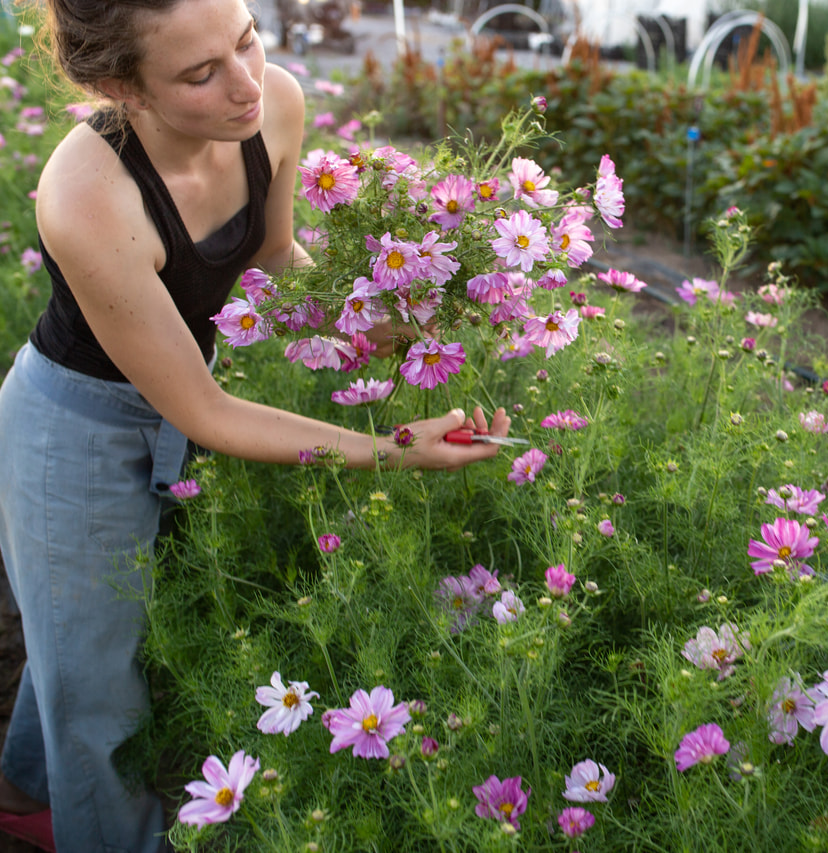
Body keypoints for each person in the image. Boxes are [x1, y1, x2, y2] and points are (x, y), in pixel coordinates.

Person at [0, 1, 510, 850]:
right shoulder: (86, 195)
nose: (244, 84)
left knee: (83, 634)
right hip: (71, 430)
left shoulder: (272, 101)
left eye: (245, 40)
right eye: (201, 74)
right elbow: (204, 407)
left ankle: (18, 793)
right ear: (119, 86)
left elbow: (272, 257)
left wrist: (375, 313)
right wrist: (387, 450)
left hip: (181, 396)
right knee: (98, 693)